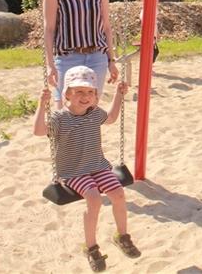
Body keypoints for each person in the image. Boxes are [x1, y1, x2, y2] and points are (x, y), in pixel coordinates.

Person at [33, 66, 141, 272]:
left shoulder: (94, 113)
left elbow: (110, 118)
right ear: (67, 94)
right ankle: (91, 247)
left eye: (90, 92)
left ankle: (122, 236)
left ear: (96, 96)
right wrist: (42, 104)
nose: (85, 96)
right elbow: (38, 131)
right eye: (79, 92)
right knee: (94, 198)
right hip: (73, 171)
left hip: (97, 165)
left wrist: (119, 95)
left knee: (118, 193)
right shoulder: (59, 118)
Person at [44, 0, 118, 108]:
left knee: (90, 107)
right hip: (67, 57)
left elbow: (106, 27)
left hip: (97, 57)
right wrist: (50, 65)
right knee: (64, 107)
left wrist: (111, 60)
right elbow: (49, 29)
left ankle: (88, 135)